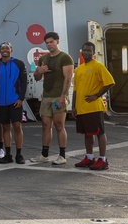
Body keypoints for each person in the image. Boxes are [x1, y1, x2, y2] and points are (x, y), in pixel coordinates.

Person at [30, 31, 74, 166]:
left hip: (58, 97)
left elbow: (68, 78)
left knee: (59, 125)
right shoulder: (44, 59)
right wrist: (39, 71)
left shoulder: (65, 58)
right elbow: (37, 77)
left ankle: (62, 155)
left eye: (51, 42)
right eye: (47, 42)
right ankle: (44, 154)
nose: (49, 45)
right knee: (45, 126)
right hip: (46, 96)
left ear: (57, 41)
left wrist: (63, 96)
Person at [72, 42, 115, 170]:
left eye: (89, 50)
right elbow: (76, 89)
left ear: (93, 52)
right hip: (81, 108)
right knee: (87, 134)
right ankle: (89, 158)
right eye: (84, 50)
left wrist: (97, 95)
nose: (86, 52)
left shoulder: (98, 66)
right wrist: (74, 107)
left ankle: (103, 159)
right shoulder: (79, 69)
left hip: (94, 107)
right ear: (81, 52)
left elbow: (110, 82)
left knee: (100, 132)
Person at [0, 42, 27, 164]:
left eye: (7, 48)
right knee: (5, 127)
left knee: (17, 126)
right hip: (1, 102)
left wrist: (21, 98)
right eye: (3, 48)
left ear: (11, 50)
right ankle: (8, 154)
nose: (5, 50)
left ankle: (19, 154)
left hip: (15, 101)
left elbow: (23, 82)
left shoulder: (19, 64)